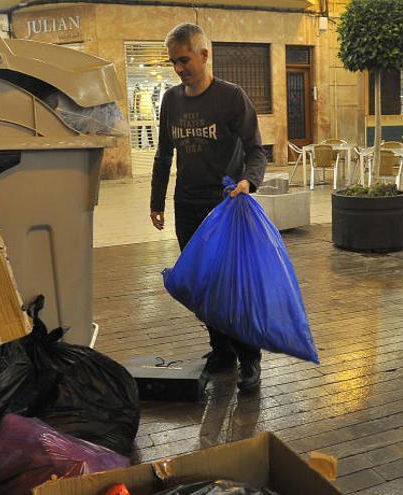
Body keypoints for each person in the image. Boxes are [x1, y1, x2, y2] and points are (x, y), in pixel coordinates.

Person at [150, 23, 267, 392]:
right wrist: (156, 202)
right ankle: (221, 351)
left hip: (225, 207)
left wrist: (249, 181)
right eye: (173, 62)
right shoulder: (171, 100)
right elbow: (163, 153)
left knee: (232, 286)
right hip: (187, 205)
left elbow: (256, 150)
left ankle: (249, 356)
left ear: (204, 55)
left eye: (184, 59)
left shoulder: (231, 98)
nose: (179, 68)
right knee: (202, 285)